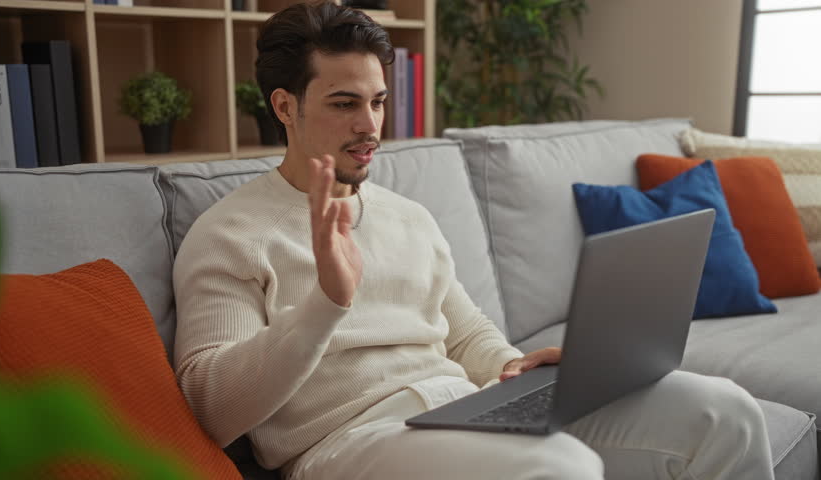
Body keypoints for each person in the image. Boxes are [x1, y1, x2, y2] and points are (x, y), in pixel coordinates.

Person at [172, 2, 775, 479]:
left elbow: (462, 330)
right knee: (559, 468)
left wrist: (514, 365)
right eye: (344, 104)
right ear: (285, 105)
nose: (370, 126)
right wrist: (325, 303)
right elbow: (210, 411)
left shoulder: (408, 215)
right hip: (349, 442)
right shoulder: (230, 233)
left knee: (724, 412)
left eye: (378, 102)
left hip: (465, 406)